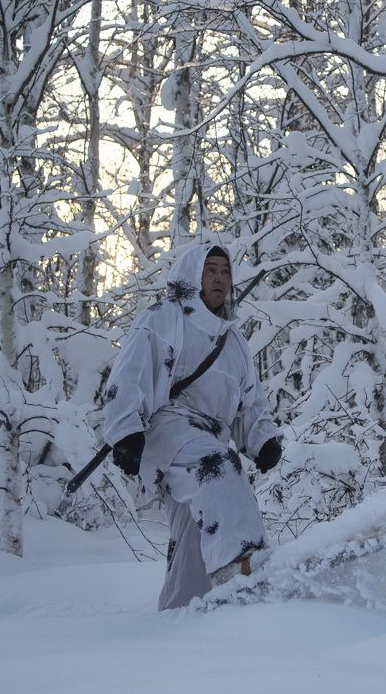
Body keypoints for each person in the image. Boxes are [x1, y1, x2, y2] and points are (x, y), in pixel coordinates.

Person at [101, 242, 281, 610]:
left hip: (208, 435)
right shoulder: (163, 318)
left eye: (225, 272)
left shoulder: (234, 342)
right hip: (167, 427)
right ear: (192, 274)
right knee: (221, 467)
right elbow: (131, 370)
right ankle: (243, 571)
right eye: (210, 269)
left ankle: (181, 611)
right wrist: (125, 431)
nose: (219, 278)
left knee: (195, 529)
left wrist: (262, 439)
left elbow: (250, 399)